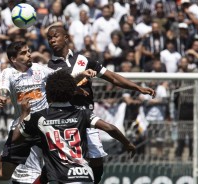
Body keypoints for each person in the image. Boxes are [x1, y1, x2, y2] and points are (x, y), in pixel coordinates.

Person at [0, 41, 95, 184]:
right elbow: (4, 88)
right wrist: (2, 96)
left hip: (44, 124)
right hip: (22, 124)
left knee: (45, 171)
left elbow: (62, 79)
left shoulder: (39, 69)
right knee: (3, 174)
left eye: (29, 51)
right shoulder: (8, 73)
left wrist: (81, 75)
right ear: (13, 59)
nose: (29, 55)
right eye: (24, 53)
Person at [46, 25, 155, 183]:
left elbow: (112, 77)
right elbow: (54, 92)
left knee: (96, 160)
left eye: (55, 36)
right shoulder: (49, 67)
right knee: (65, 165)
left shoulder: (83, 60)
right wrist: (74, 89)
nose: (52, 40)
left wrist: (137, 87)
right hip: (64, 120)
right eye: (49, 38)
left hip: (86, 116)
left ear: (66, 38)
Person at [10, 70, 136, 183]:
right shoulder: (83, 114)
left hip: (59, 178)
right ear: (71, 93)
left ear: (48, 94)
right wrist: (127, 144)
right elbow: (110, 128)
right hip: (84, 177)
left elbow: (15, 139)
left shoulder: (39, 117)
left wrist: (24, 114)